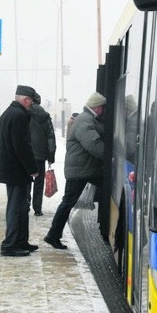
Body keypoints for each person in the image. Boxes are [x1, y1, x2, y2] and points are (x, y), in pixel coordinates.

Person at [44, 91, 106, 250]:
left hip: (85, 168)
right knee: (67, 202)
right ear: (97, 107)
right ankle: (52, 235)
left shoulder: (88, 119)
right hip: (80, 170)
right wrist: (109, 156)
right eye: (103, 108)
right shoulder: (85, 121)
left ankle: (53, 234)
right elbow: (94, 144)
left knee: (107, 188)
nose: (104, 110)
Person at [0, 84, 39, 257]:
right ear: (25, 100)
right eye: (31, 102)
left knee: (21, 207)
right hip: (17, 171)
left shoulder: (9, 113)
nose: (31, 105)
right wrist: (32, 168)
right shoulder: (18, 115)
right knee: (17, 208)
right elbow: (22, 146)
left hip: (11, 169)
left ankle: (21, 241)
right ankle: (10, 245)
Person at [29, 91, 56, 216]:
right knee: (39, 182)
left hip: (26, 154)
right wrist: (51, 156)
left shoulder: (24, 113)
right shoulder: (45, 116)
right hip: (40, 156)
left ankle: (25, 204)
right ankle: (37, 209)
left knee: (26, 181)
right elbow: (51, 137)